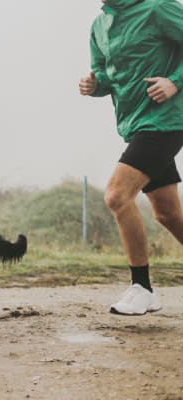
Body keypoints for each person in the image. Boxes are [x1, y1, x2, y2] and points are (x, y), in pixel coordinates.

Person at [80, 0, 183, 315]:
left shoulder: (157, 7)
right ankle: (143, 290)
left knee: (117, 195)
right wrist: (94, 85)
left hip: (166, 121)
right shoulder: (100, 25)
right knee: (166, 212)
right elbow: (107, 76)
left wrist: (174, 82)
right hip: (135, 123)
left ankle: (142, 289)